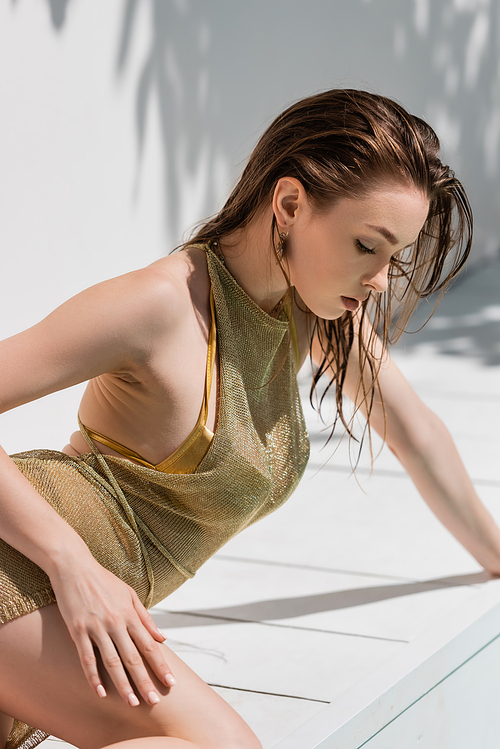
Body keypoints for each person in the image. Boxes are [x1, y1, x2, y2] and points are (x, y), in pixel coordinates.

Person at [0, 88, 499, 749]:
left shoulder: (309, 309)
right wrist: (74, 564)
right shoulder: (161, 304)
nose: (381, 279)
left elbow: (415, 430)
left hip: (77, 607)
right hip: (33, 563)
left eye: (394, 257)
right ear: (290, 205)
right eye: (366, 245)